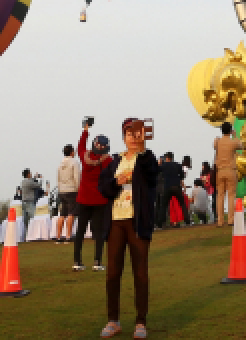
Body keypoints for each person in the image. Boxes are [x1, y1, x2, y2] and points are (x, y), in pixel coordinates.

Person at [101, 117, 159, 339]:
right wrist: (116, 182)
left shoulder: (146, 158)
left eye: (136, 134)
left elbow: (152, 175)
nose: (133, 138)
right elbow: (103, 188)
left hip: (138, 222)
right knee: (113, 272)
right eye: (129, 134)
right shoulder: (114, 161)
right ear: (123, 137)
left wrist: (143, 149)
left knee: (140, 273)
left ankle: (140, 322)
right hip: (115, 222)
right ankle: (113, 320)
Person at [75, 125, 113, 271]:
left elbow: (80, 146)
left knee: (80, 231)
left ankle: (77, 262)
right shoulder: (108, 160)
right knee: (99, 233)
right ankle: (97, 262)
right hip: (100, 200)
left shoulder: (85, 156)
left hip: (83, 199)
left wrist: (85, 130)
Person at [212, 121, 240, 219]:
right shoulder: (233, 142)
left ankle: (220, 220)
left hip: (220, 171)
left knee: (220, 196)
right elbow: (240, 145)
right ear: (230, 131)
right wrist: (235, 136)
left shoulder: (218, 141)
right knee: (231, 195)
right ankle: (230, 219)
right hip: (230, 170)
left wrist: (217, 139)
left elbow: (214, 145)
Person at [55, 143, 81, 243]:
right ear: (71, 152)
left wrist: (60, 189)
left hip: (62, 191)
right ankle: (68, 236)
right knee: (71, 213)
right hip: (71, 190)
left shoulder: (60, 164)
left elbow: (58, 178)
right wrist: (79, 189)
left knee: (62, 214)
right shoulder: (74, 162)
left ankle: (58, 237)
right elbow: (77, 177)